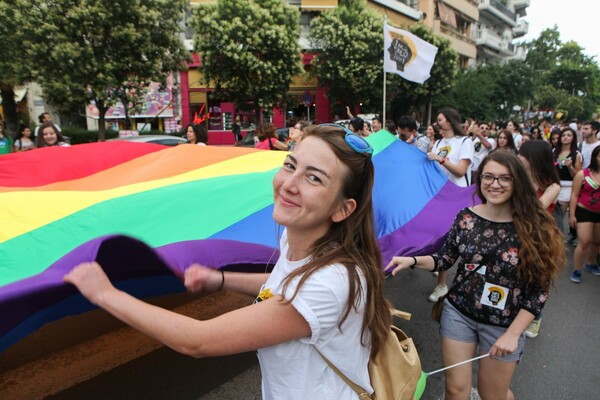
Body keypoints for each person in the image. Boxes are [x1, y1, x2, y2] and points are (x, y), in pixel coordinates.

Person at [64, 125, 392, 399]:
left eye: (314, 178)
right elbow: (282, 289)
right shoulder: (301, 242)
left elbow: (197, 340)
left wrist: (105, 294)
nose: (289, 184)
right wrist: (220, 280)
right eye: (291, 165)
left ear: (343, 209)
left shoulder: (331, 281)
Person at [386, 151, 565, 400]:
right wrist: (412, 260)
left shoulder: (535, 225)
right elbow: (444, 259)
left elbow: (540, 290)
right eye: (488, 177)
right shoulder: (466, 217)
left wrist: (513, 334)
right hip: (459, 313)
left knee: (492, 394)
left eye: (505, 178)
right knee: (456, 391)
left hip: (504, 324)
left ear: (518, 182)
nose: (495, 184)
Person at [427, 108, 474, 303]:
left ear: (450, 121)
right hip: (439, 196)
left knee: (452, 241)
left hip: (457, 197)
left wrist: (441, 159)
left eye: (440, 119)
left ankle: (443, 284)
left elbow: (461, 171)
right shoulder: (438, 142)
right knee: (441, 240)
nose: (437, 123)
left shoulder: (465, 142)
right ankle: (441, 277)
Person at [517, 140, 561, 338]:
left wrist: (529, 183)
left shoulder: (552, 186)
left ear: (535, 158)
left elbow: (537, 206)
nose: (519, 157)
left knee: (537, 278)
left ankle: (535, 316)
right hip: (516, 232)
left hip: (539, 238)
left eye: (523, 154)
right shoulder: (517, 177)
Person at [569, 145, 600, 284]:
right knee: (585, 241)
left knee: (597, 241)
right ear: (595, 157)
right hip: (584, 210)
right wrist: (572, 215)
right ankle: (576, 270)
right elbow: (574, 195)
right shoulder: (583, 174)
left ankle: (590, 263)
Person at [554, 127, 583, 245]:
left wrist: (570, 167)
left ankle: (558, 239)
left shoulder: (576, 154)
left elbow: (579, 175)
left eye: (568, 135)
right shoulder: (554, 151)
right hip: (555, 185)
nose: (565, 137)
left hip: (569, 187)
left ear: (573, 138)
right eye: (563, 135)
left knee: (559, 214)